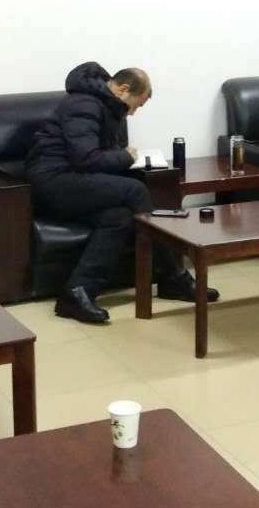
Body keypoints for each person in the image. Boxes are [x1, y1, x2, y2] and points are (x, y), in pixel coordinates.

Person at [26, 62, 215, 324]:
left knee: (118, 217)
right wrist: (125, 157)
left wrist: (123, 158)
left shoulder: (103, 104)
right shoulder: (84, 105)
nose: (134, 113)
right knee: (136, 191)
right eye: (137, 105)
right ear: (123, 90)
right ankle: (174, 277)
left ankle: (77, 292)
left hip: (73, 180)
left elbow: (96, 155)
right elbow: (86, 158)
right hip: (53, 182)